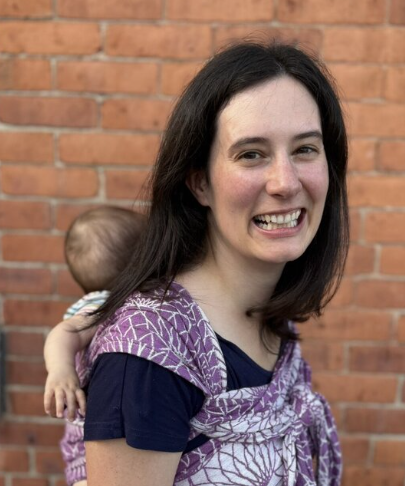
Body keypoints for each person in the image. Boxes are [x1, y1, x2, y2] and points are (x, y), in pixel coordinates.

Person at [63, 40, 349, 486]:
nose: (285, 182)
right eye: (251, 154)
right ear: (200, 183)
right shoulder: (150, 356)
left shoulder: (269, 318)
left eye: (305, 149)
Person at [44, 206, 145, 486]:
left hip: (93, 443)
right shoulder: (101, 306)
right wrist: (61, 370)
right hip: (91, 448)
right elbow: (63, 332)